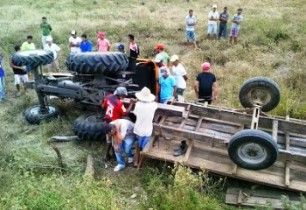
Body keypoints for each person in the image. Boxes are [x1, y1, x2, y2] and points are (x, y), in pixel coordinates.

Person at [101, 87, 135, 160]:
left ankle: (106, 155)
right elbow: (125, 113)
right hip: (114, 124)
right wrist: (131, 104)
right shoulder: (119, 103)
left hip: (107, 122)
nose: (124, 97)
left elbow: (103, 106)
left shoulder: (108, 96)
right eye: (124, 96)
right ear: (121, 96)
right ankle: (115, 155)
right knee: (114, 140)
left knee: (109, 140)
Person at [133, 87, 157, 169]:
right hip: (147, 130)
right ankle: (140, 164)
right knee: (144, 148)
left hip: (138, 129)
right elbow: (155, 104)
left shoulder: (138, 104)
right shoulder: (153, 105)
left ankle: (136, 161)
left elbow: (135, 114)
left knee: (138, 146)